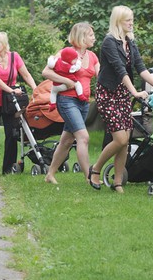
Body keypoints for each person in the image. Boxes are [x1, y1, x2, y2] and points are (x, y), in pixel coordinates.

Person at [89, 5, 153, 193]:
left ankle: (118, 181)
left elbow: (141, 67)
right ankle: (95, 169)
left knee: (125, 140)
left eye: (132, 20)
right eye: (127, 20)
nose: (131, 23)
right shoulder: (109, 42)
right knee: (120, 139)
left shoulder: (130, 42)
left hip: (122, 94)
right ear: (118, 21)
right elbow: (120, 69)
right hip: (108, 94)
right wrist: (135, 92)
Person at [43, 22, 99, 184]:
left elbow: (101, 77)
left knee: (67, 140)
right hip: (66, 100)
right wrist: (67, 81)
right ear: (81, 37)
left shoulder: (93, 56)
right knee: (83, 137)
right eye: (90, 35)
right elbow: (46, 72)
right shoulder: (65, 53)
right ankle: (90, 177)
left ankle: (50, 174)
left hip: (83, 103)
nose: (94, 38)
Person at [0, 31, 37, 175]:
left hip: (11, 102)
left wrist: (36, 89)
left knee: (12, 133)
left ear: (4, 44)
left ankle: (8, 168)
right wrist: (11, 90)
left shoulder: (15, 56)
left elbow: (25, 74)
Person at [46, 47, 87, 111]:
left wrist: (51, 57)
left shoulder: (57, 61)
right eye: (74, 59)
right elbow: (77, 68)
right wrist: (78, 61)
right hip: (66, 85)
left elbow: (50, 64)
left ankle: (53, 104)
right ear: (70, 59)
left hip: (56, 85)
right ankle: (80, 95)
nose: (75, 61)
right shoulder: (69, 67)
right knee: (78, 84)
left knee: (53, 92)